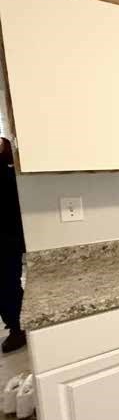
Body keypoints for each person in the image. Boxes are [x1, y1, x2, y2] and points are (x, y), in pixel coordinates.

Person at [0, 137, 25, 352]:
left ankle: (18, 328)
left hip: (7, 240)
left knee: (7, 286)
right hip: (10, 239)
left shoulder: (9, 173)